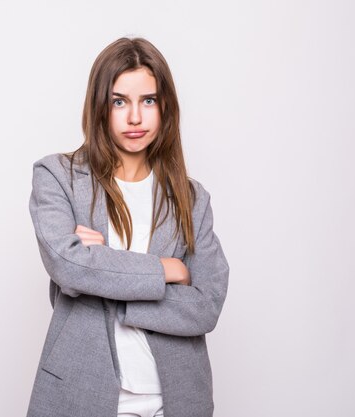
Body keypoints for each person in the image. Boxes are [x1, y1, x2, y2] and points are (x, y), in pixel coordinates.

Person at [26, 37, 230, 417]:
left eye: (148, 101)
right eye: (119, 101)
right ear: (99, 107)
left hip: (177, 400)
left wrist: (100, 270)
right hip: (80, 396)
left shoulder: (192, 198)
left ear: (164, 106)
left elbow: (206, 305)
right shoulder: (58, 177)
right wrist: (167, 270)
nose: (135, 118)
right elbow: (66, 265)